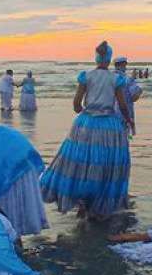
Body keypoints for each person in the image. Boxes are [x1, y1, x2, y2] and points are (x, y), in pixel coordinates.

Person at [40, 41, 134, 218]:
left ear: (96, 57)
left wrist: (82, 111)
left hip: (87, 123)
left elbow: (76, 103)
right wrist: (129, 120)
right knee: (105, 163)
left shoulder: (86, 76)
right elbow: (122, 105)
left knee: (80, 161)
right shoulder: (116, 79)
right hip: (109, 126)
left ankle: (82, 200)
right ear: (109, 59)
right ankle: (98, 203)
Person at [113, 56, 143, 135]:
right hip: (125, 111)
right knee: (124, 135)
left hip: (111, 112)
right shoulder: (126, 79)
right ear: (123, 65)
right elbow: (134, 96)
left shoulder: (109, 76)